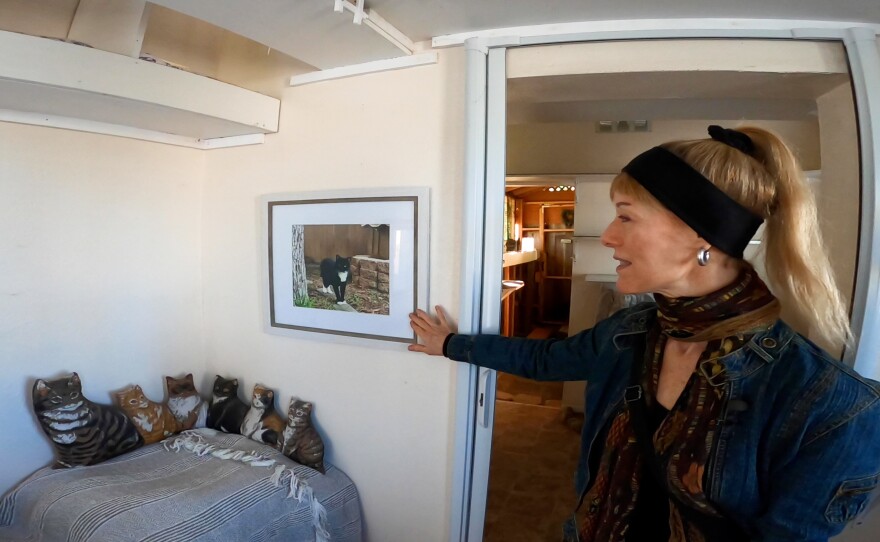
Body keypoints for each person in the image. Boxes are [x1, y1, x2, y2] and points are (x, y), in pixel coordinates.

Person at [409, 125, 880, 541]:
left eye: (626, 215)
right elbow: (546, 359)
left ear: (701, 234)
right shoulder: (630, 333)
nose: (609, 236)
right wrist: (450, 344)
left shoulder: (832, 406)